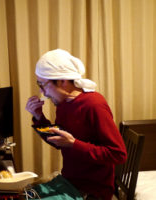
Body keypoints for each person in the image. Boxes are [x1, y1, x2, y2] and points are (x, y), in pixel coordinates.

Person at [26, 49, 127, 200]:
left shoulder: (94, 104)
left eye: (43, 85)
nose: (43, 93)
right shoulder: (63, 103)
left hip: (93, 190)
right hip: (70, 181)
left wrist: (74, 144)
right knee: (23, 195)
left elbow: (118, 154)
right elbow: (60, 142)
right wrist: (39, 117)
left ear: (63, 81)